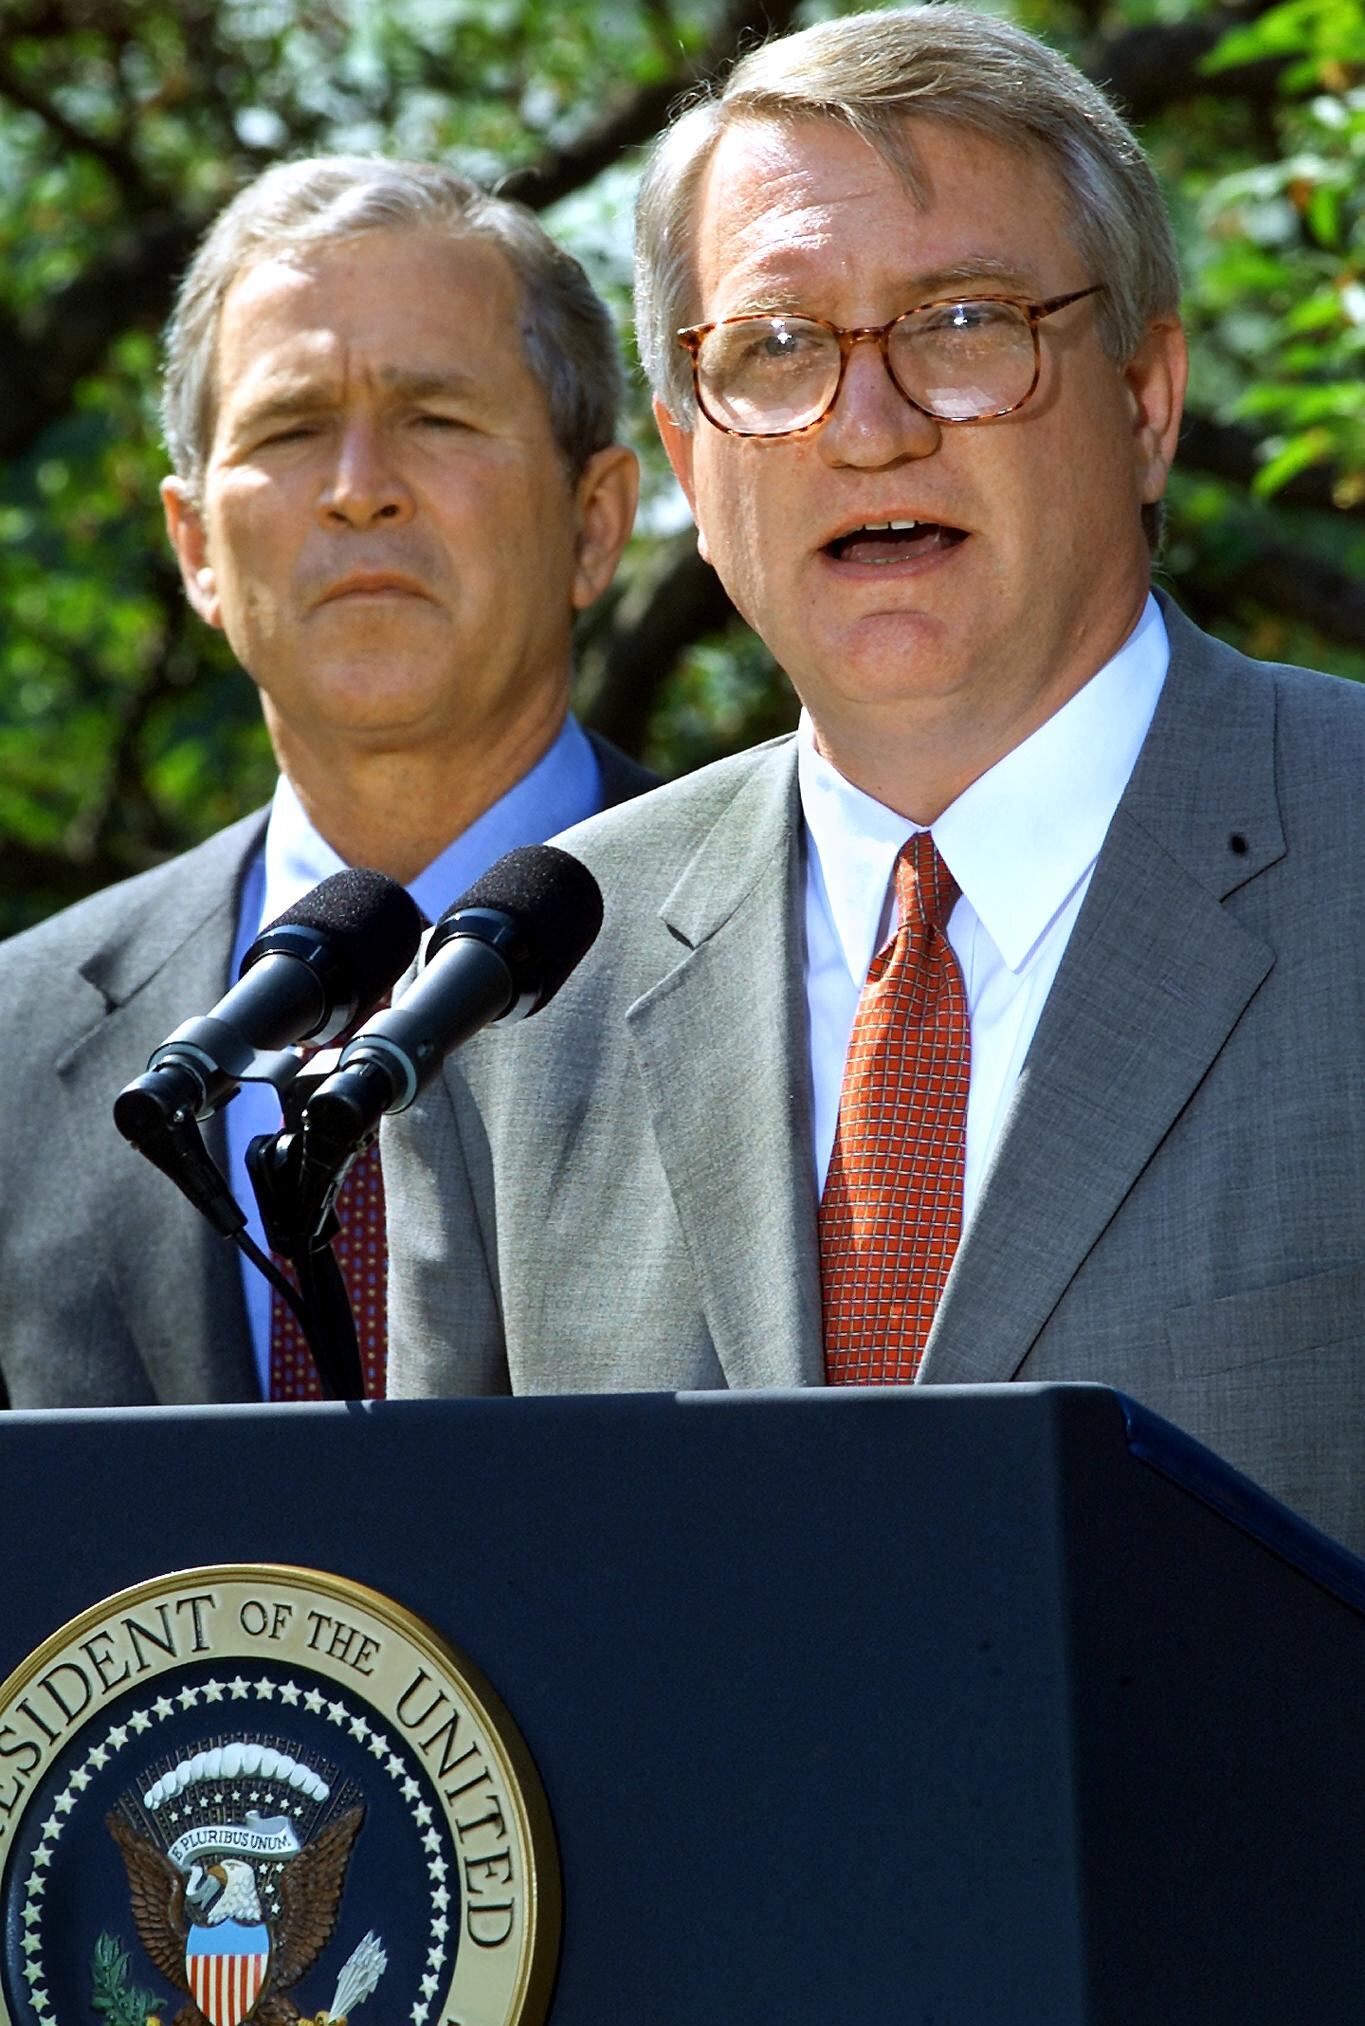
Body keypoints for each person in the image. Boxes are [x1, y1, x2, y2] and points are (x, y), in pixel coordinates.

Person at [382, 5, 1365, 1557]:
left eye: (965, 324)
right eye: (774, 351)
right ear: (693, 469)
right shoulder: (517, 1001)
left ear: (1144, 401)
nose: (870, 422)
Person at [0, 155, 651, 1408]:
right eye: (293, 428)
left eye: (436, 417)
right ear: (194, 546)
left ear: (595, 521)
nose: (359, 487)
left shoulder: (809, 951)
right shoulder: (16, 1047)